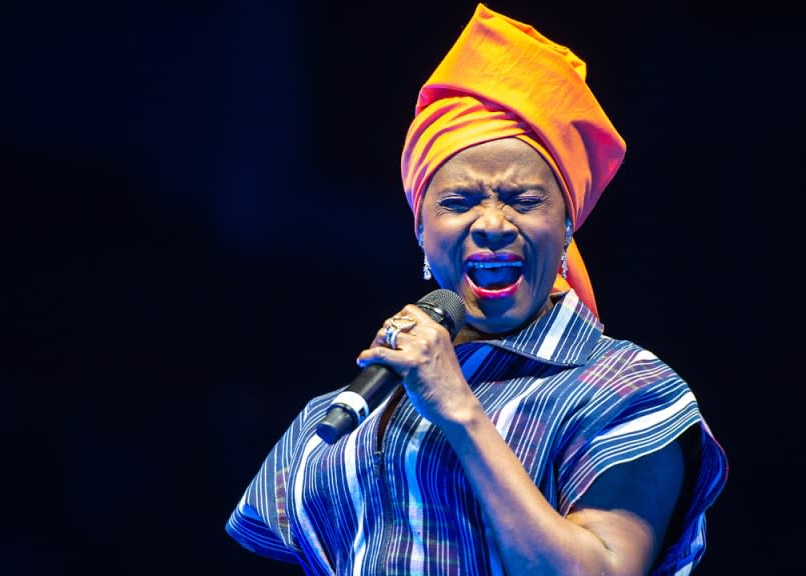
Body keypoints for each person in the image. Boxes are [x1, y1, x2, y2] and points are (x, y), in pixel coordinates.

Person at [226, 4, 728, 575]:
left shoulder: (626, 390)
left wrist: (459, 411)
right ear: (420, 229)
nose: (491, 223)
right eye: (459, 202)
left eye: (523, 200)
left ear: (567, 226)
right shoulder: (360, 408)